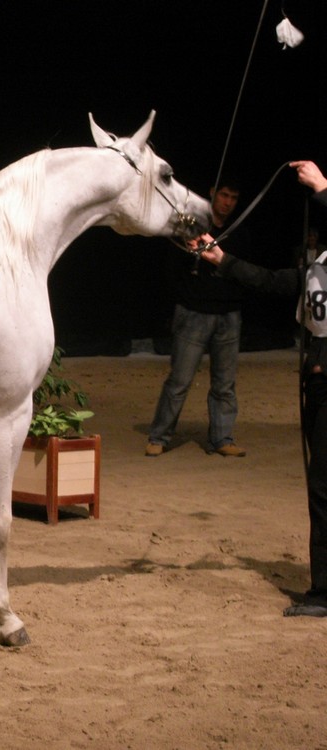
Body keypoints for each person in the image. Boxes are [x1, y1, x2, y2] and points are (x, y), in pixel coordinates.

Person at [195, 159, 327, 618]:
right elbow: (271, 282)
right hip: (318, 383)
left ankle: (323, 594)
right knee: (320, 485)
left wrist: (323, 188)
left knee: (324, 486)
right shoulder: (317, 265)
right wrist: (222, 260)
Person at [146, 177, 250, 458]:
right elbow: (172, 270)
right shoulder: (191, 226)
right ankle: (159, 435)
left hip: (228, 315)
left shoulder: (238, 230)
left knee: (225, 383)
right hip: (193, 314)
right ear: (213, 192)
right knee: (179, 380)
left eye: (233, 197)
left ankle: (222, 437)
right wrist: (188, 298)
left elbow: (244, 270)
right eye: (224, 195)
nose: (228, 202)